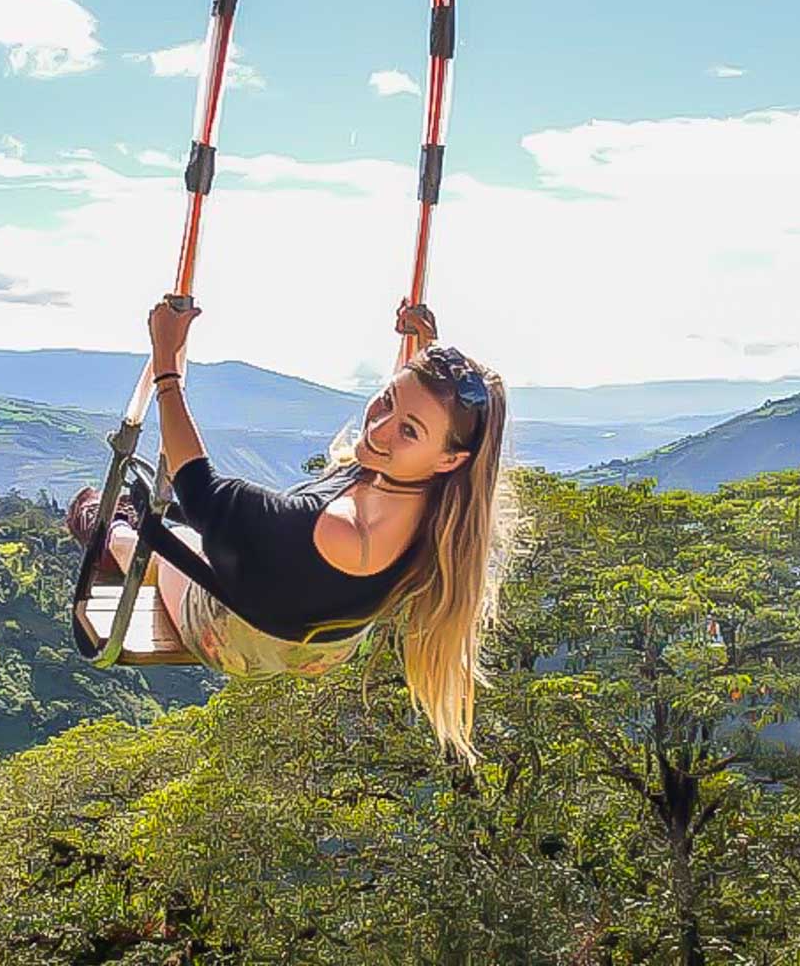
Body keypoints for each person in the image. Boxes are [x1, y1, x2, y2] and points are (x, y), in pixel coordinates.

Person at [67, 297, 509, 767]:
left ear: (449, 460)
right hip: (330, 644)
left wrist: (167, 368)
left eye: (408, 431)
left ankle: (110, 527)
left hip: (238, 636)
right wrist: (425, 348)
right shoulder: (445, 506)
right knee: (343, 472)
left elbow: (199, 490)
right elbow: (424, 422)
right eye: (387, 399)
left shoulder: (342, 533)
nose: (378, 428)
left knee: (172, 544)